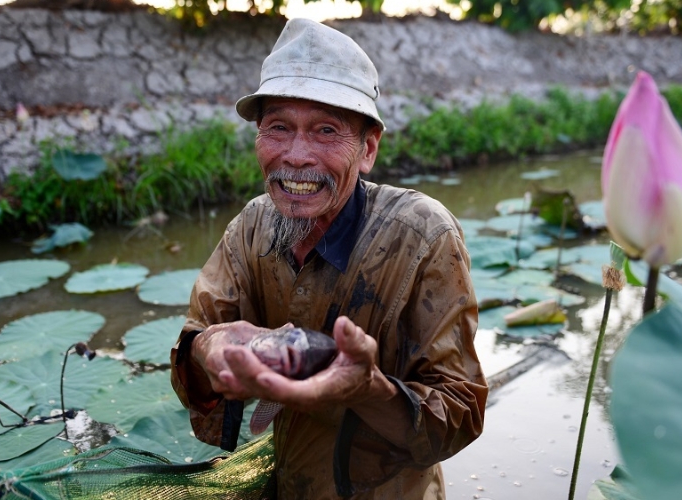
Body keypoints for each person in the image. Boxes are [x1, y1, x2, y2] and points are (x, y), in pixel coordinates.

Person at [170, 17, 488, 499]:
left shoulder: (424, 235)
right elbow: (195, 358)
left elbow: (459, 415)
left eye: (325, 130)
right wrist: (209, 348)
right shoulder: (250, 226)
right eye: (278, 127)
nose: (296, 155)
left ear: (367, 150)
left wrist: (368, 390)